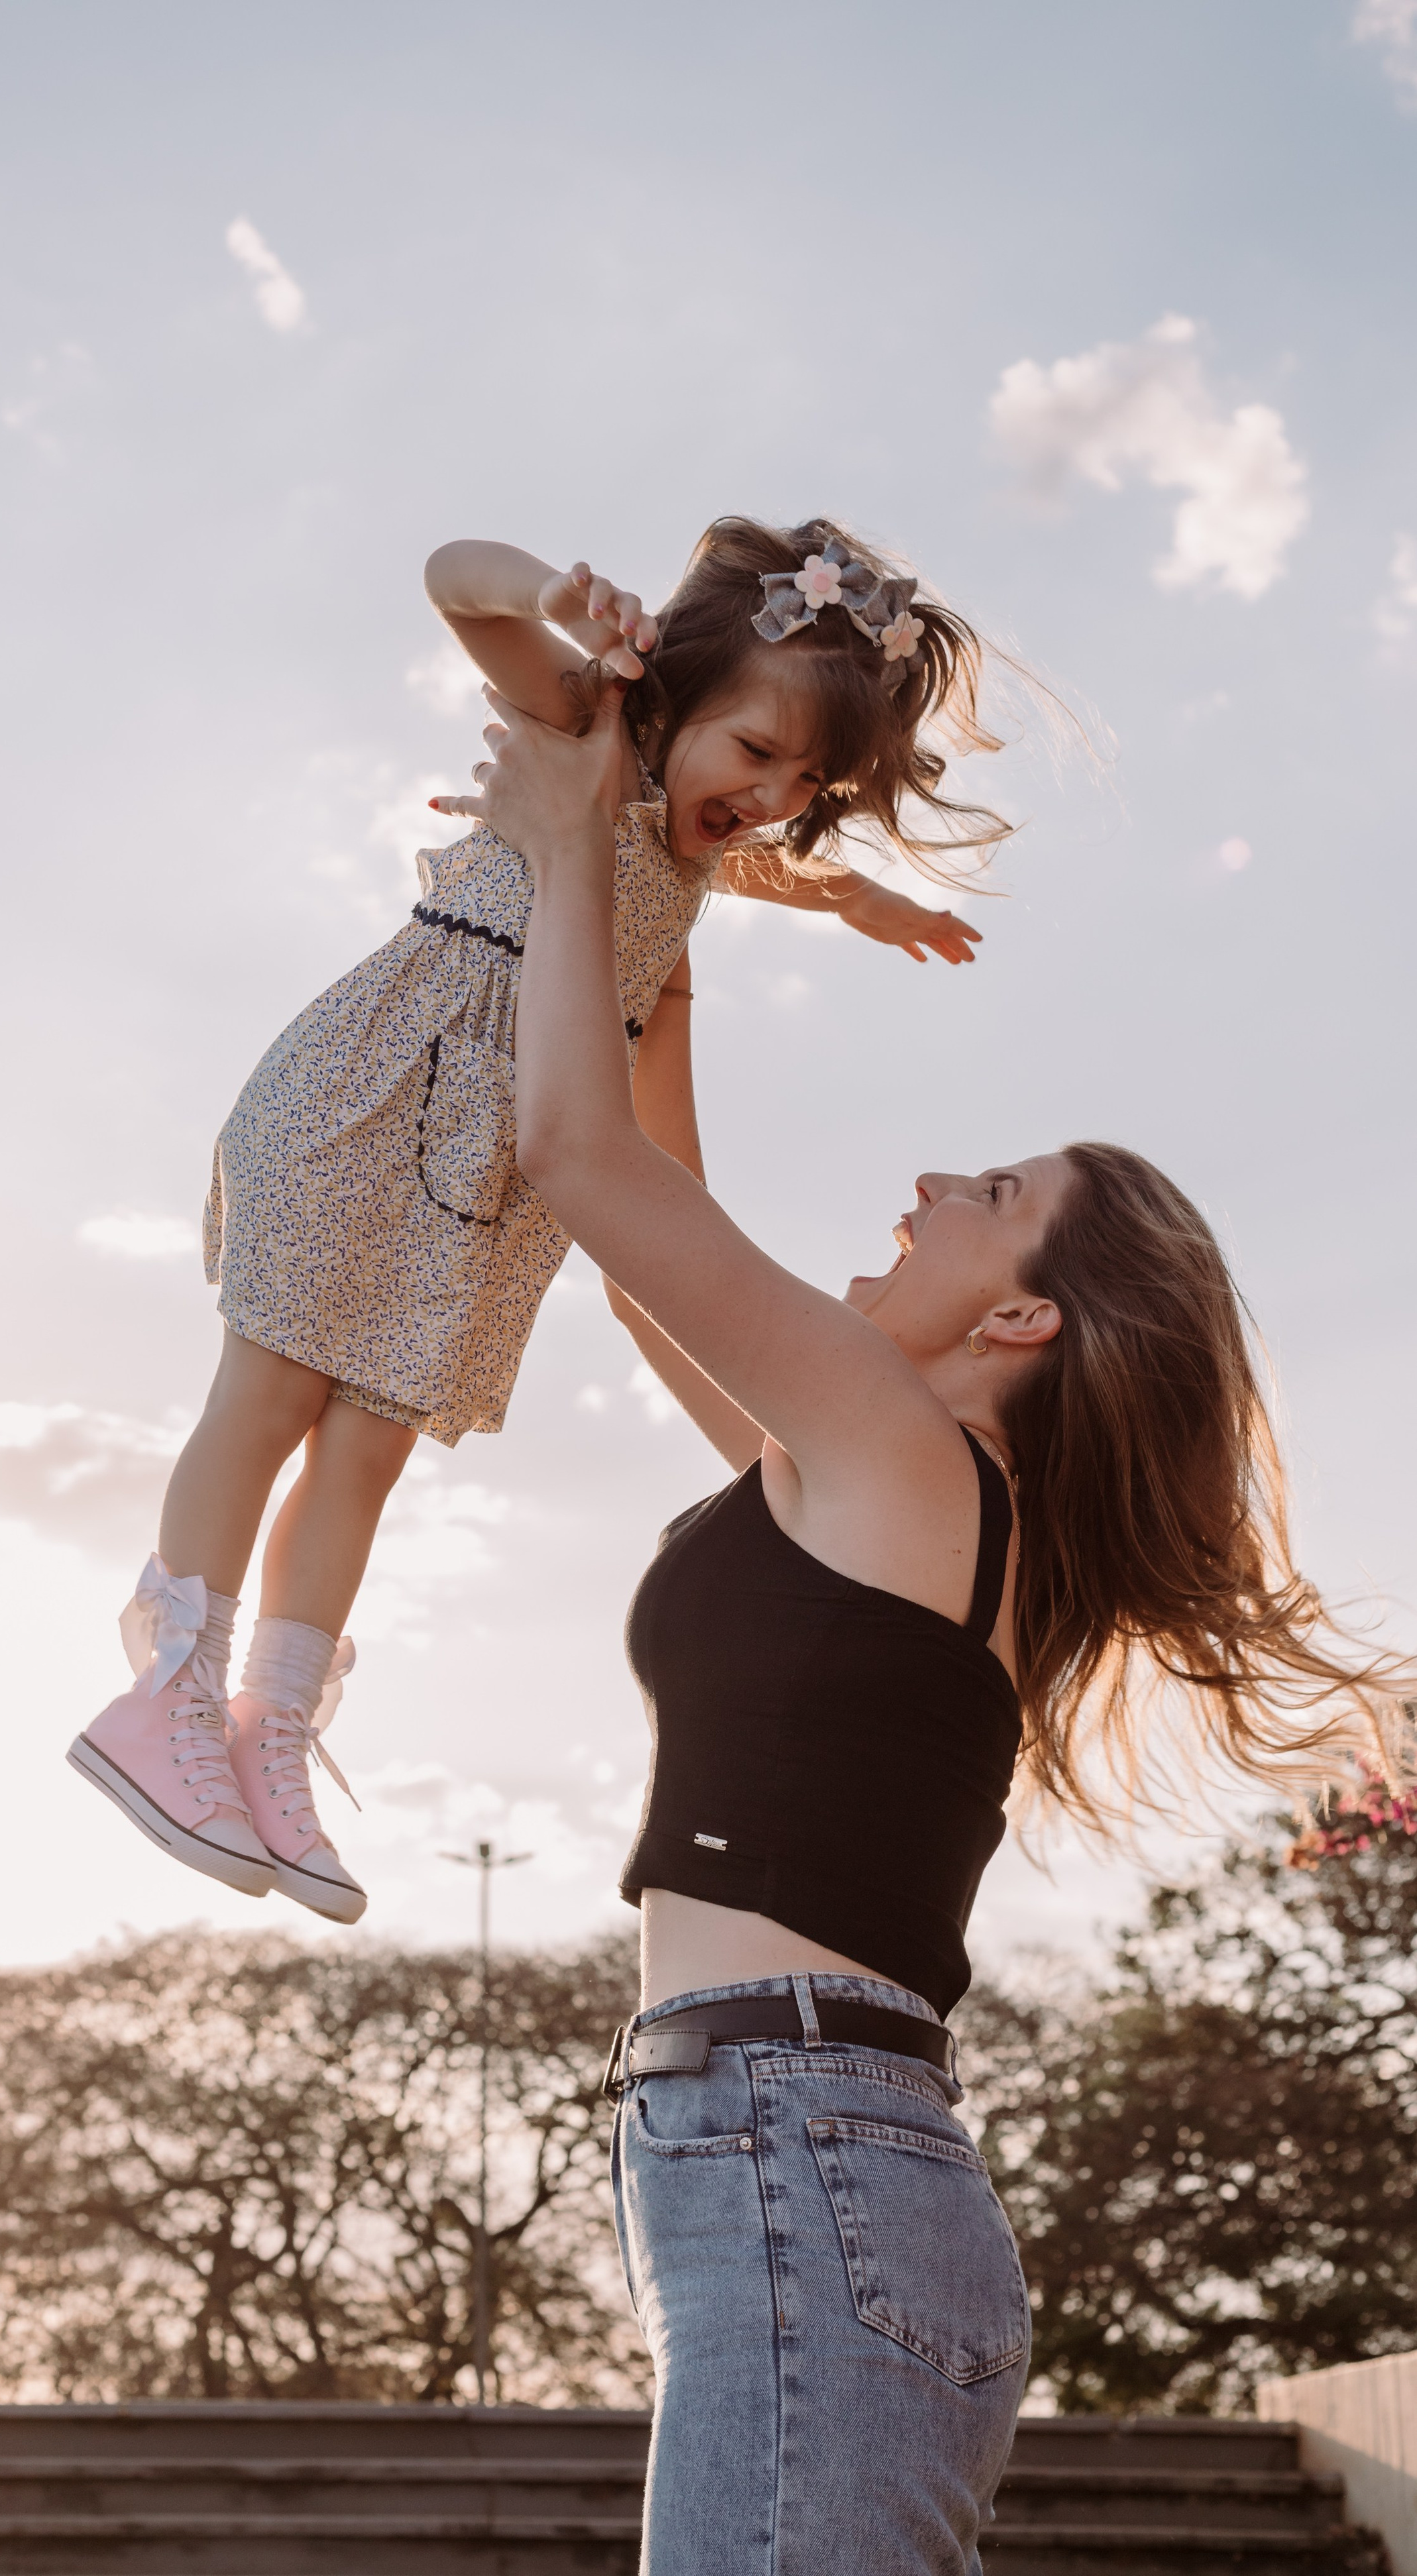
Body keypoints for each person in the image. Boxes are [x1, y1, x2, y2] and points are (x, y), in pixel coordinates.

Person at [455, 670, 1409, 2575]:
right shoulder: (876, 1478)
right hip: (792, 2160)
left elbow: (579, 1163)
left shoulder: (902, 1458)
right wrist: (674, 899)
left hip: (804, 2153)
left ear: (1023, 1321)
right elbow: (654, 1236)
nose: (923, 1186)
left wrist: (573, 843)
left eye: (986, 1195)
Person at [69, 517, 997, 1924]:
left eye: (802, 783)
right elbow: (447, 578)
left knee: (370, 1449)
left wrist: (851, 892)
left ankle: (269, 1726)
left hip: (494, 1169)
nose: (770, 797)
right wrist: (551, 595)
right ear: (676, 697)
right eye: (754, 754)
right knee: (270, 1391)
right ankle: (167, 1696)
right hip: (383, 1085)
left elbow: (724, 863)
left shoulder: (691, 849)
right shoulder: (589, 722)